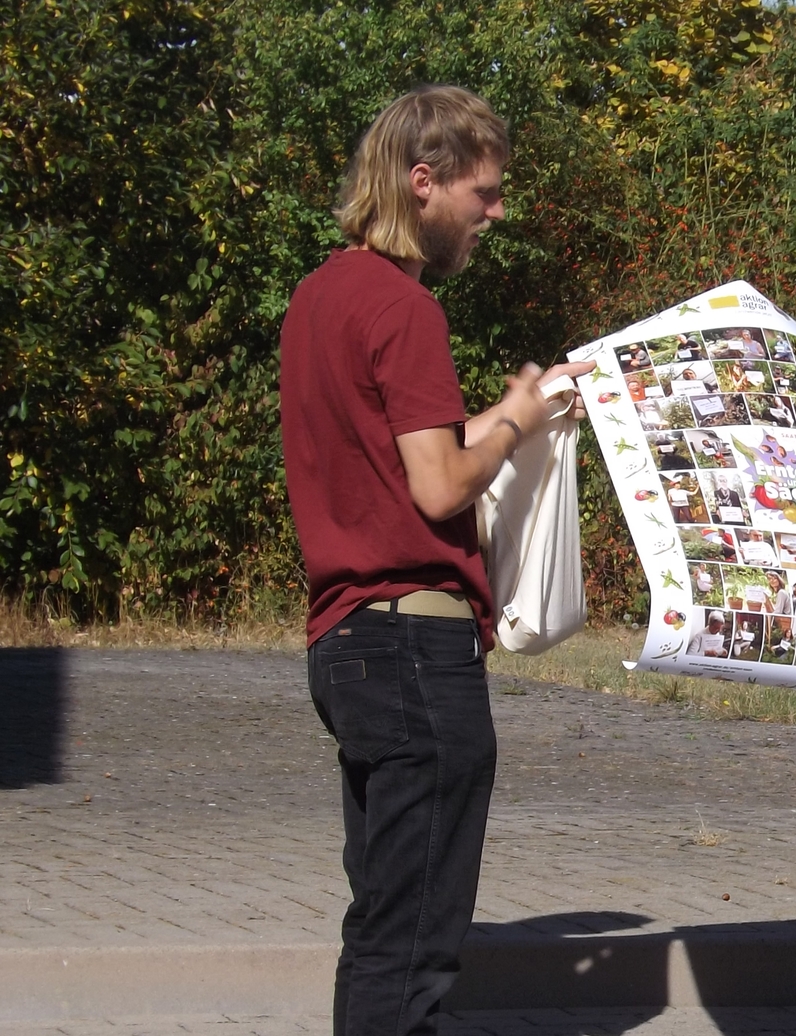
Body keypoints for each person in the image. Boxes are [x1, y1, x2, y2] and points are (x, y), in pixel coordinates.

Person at [279, 86, 594, 1036]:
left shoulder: (319, 296)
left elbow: (402, 458)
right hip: (414, 653)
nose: (495, 213)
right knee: (414, 936)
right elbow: (439, 488)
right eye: (483, 193)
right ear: (424, 183)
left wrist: (512, 413)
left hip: (346, 643)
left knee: (381, 917)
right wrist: (515, 430)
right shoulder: (404, 308)